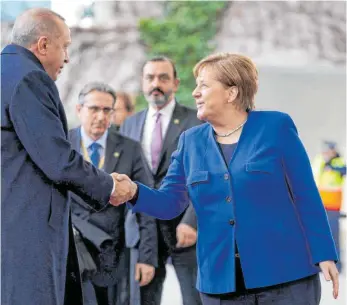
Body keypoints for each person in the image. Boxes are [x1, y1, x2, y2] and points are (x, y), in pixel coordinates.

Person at [115, 53, 340, 305]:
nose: (195, 93)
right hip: (221, 285)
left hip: (285, 278)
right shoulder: (191, 141)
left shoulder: (275, 127)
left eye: (204, 85)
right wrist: (133, 191)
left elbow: (305, 195)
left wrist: (325, 254)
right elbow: (169, 202)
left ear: (231, 93)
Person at [1, 9, 131, 305]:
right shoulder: (29, 78)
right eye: (65, 46)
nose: (68, 58)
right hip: (28, 232)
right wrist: (109, 187)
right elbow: (58, 160)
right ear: (43, 44)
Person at [120, 56, 202, 305]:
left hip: (184, 230)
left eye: (163, 78)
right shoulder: (129, 124)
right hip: (144, 234)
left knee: (194, 299)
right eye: (150, 78)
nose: (156, 83)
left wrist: (192, 221)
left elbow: (204, 177)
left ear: (175, 83)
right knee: (143, 300)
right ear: (143, 83)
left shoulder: (196, 122)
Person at [69, 82, 158, 305]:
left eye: (107, 110)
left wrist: (147, 258)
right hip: (71, 250)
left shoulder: (130, 148)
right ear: (79, 110)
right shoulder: (62, 144)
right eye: (94, 109)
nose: (101, 116)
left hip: (111, 254)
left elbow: (146, 204)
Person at [312, 140, 346, 272]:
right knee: (321, 235)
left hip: (333, 207)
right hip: (320, 206)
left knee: (334, 236)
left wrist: (332, 167)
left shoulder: (338, 161)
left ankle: (337, 264)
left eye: (329, 150)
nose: (327, 153)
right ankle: (322, 263)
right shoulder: (320, 160)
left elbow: (344, 170)